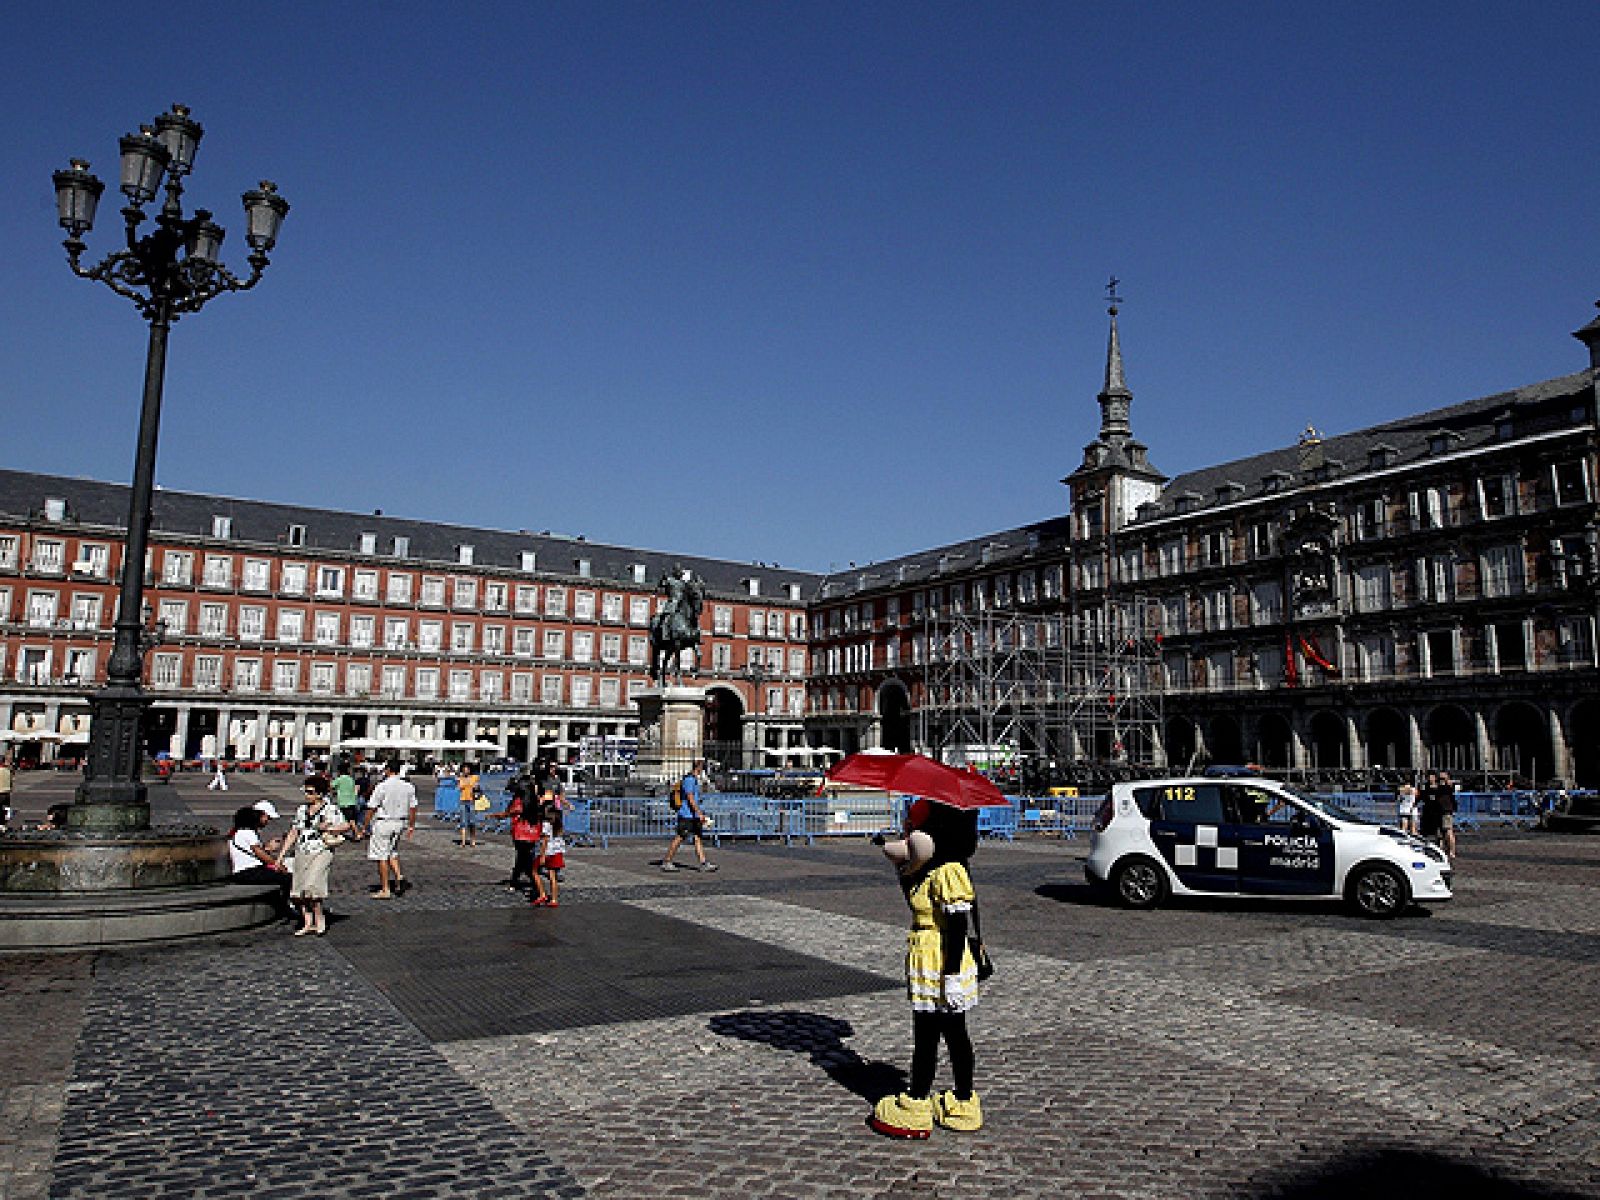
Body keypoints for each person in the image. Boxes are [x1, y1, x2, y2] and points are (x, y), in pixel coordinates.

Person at [869, 797, 985, 1138]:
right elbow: (917, 901)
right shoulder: (933, 868)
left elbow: (957, 925)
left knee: (936, 1034)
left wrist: (950, 976)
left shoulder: (950, 871)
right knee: (943, 1032)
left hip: (941, 957)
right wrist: (905, 867)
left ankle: (918, 1100)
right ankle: (961, 1102)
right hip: (929, 955)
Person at [273, 776, 353, 936]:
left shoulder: (331, 809)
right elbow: (294, 832)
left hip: (322, 850)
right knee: (299, 889)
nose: (307, 795)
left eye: (310, 792)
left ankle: (319, 918)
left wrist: (329, 829)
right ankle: (308, 922)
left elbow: (346, 825)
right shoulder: (302, 810)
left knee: (312, 886)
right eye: (305, 791)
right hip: (302, 850)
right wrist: (281, 855)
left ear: (320, 794)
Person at [362, 759, 417, 898]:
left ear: (387, 770)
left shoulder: (382, 786)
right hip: (400, 823)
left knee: (381, 856)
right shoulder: (408, 786)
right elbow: (413, 808)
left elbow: (372, 807)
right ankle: (399, 876)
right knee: (392, 851)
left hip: (384, 822)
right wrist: (411, 825)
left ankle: (385, 888)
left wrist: (365, 825)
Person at [227, 804, 292, 920]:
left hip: (246, 871)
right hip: (249, 872)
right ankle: (284, 908)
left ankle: (282, 906)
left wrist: (268, 848)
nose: (267, 821)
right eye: (267, 818)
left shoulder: (240, 832)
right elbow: (260, 854)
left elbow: (255, 851)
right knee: (287, 878)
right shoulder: (248, 833)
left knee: (281, 877)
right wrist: (277, 865)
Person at [661, 759, 717, 872]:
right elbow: (690, 798)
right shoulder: (689, 780)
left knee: (698, 838)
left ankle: (703, 862)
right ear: (699, 767)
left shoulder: (693, 779)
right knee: (680, 837)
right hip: (687, 815)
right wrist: (699, 813)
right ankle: (667, 861)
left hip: (693, 815)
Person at [487, 776, 540, 892]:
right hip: (533, 833)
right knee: (523, 858)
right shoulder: (534, 800)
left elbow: (509, 813)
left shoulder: (518, 801)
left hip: (520, 833)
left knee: (523, 860)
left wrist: (494, 815)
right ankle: (517, 881)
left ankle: (535, 885)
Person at [531, 799, 566, 908]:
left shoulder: (546, 824)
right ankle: (554, 899)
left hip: (548, 851)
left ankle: (542, 894)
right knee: (552, 876)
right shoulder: (558, 823)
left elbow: (545, 841)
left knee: (534, 871)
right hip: (557, 851)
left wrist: (542, 855)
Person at [457, 762, 482, 848]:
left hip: (472, 801)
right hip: (463, 800)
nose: (465, 770)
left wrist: (476, 787)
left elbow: (478, 787)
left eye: (467, 769)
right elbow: (459, 787)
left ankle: (473, 840)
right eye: (464, 769)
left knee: (472, 822)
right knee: (463, 822)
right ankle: (463, 841)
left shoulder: (475, 777)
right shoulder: (461, 778)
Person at [1436, 771, 1459, 861]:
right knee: (1439, 834)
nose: (1441, 780)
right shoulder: (1438, 787)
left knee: (1448, 831)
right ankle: (1441, 851)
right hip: (1438, 811)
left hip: (1446, 811)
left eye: (1443, 778)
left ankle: (1452, 851)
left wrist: (1446, 781)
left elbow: (1451, 788)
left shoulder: (1448, 787)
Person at [332, 765, 362, 831]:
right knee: (351, 819)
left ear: (339, 771)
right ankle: (353, 832)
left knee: (349, 820)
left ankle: (357, 833)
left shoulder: (339, 779)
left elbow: (331, 786)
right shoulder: (351, 779)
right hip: (352, 801)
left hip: (343, 802)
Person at [0, 756, 13, 831]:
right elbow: (11, 783)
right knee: (7, 810)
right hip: (7, 794)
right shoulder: (8, 771)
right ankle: (4, 825)